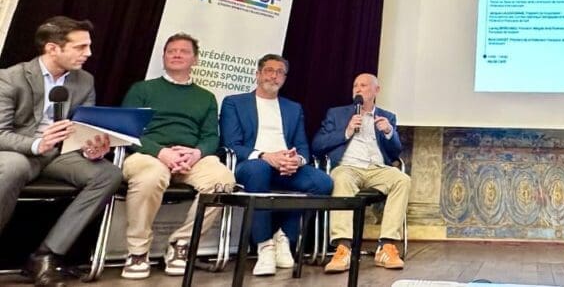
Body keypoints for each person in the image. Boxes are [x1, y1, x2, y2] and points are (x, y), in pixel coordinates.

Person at [0, 17, 122, 287]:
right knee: (13, 167)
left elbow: (84, 128)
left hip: (60, 154)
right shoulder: (10, 77)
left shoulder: (85, 80)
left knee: (108, 174)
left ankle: (46, 255)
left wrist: (91, 148)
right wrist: (37, 144)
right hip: (21, 150)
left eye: (88, 46)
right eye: (80, 47)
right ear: (52, 48)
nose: (88, 53)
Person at [119, 33, 235, 279]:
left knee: (222, 181)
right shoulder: (142, 89)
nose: (177, 55)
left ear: (195, 59)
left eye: (184, 51)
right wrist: (161, 152)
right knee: (151, 176)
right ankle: (138, 251)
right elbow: (126, 131)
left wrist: (196, 153)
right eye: (171, 51)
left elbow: (211, 137)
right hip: (148, 154)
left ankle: (181, 244)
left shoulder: (206, 97)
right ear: (163, 57)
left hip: (190, 158)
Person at [219, 53, 333, 276]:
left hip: (285, 167)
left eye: (280, 72)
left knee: (323, 183)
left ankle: (284, 237)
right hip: (251, 165)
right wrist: (265, 155)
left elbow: (303, 147)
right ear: (258, 74)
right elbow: (231, 144)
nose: (274, 76)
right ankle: (264, 246)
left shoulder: (293, 108)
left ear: (285, 78)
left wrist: (296, 160)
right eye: (269, 71)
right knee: (259, 169)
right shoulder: (234, 102)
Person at [312, 73, 409, 273]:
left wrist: (389, 132)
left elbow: (395, 152)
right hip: (348, 167)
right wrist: (346, 131)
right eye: (355, 85)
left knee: (402, 180)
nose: (358, 89)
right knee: (340, 178)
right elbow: (317, 145)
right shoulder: (337, 114)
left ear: (376, 90)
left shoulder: (387, 116)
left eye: (363, 85)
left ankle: (386, 246)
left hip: (377, 168)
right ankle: (343, 248)